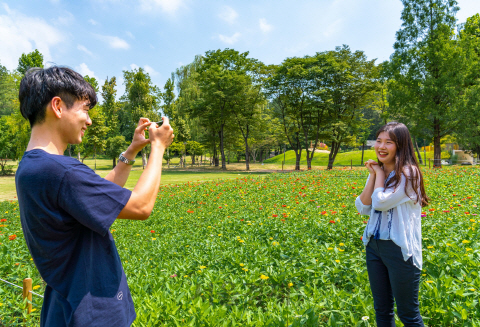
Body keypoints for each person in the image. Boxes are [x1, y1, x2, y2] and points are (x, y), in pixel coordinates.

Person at [15, 66, 174, 327]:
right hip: (92, 312)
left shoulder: (33, 167)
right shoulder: (61, 171)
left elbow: (97, 196)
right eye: (85, 110)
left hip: (64, 304)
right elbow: (141, 206)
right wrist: (158, 148)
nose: (89, 121)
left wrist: (131, 151)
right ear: (57, 106)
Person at [355, 122, 429, 327]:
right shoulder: (382, 172)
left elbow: (381, 202)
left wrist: (378, 174)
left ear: (401, 145)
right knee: (382, 310)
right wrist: (373, 175)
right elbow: (363, 206)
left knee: (408, 314)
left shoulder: (408, 173)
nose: (381, 147)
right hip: (374, 247)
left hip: (400, 249)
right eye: (379, 141)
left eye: (389, 142)